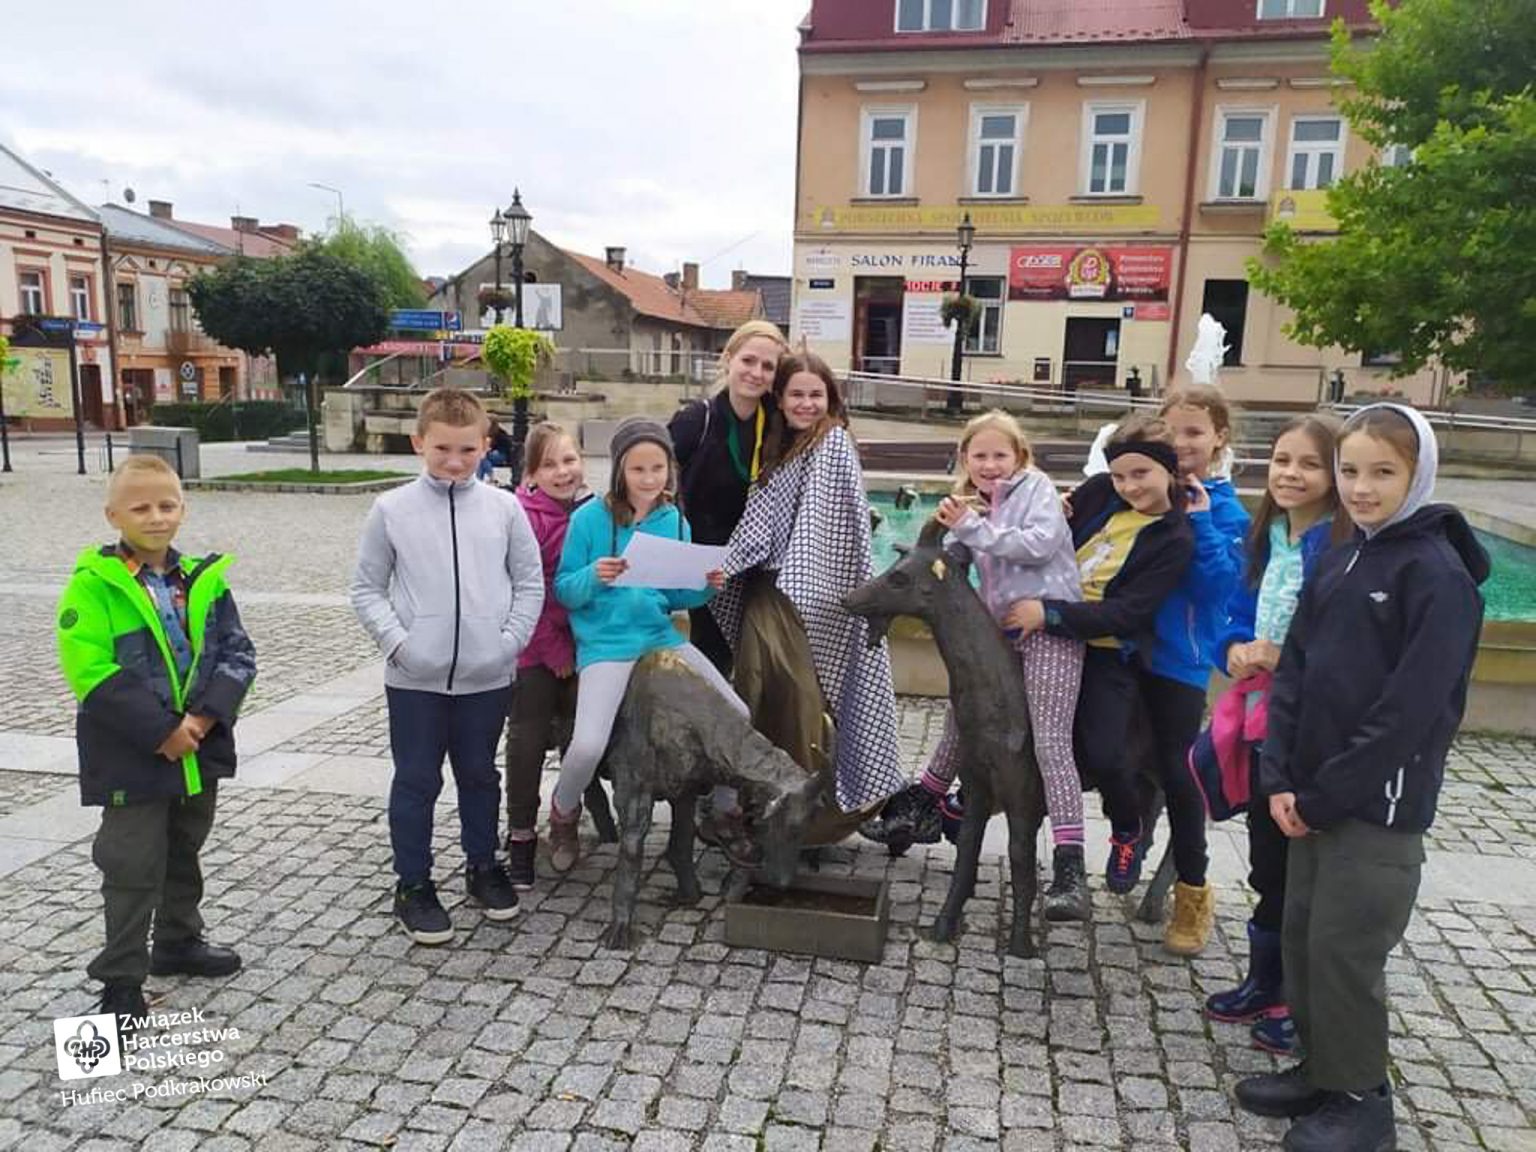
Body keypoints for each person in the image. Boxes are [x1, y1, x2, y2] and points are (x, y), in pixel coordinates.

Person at [1234, 404, 1487, 1152]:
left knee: (1346, 951)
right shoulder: (1344, 556)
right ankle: (1323, 1070)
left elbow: (1409, 712)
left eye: (1383, 472)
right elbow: (1295, 671)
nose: (1361, 488)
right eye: (1350, 471)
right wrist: (1280, 775)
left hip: (1375, 807)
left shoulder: (1436, 576)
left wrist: (1325, 794)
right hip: (1308, 796)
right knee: (1306, 938)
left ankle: (1362, 1101)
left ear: (1418, 475)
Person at [867, 410, 1092, 921]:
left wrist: (972, 527)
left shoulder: (1036, 490)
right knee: (960, 717)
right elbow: (949, 563)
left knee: (1050, 742)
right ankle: (924, 803)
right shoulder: (972, 504)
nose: (990, 465)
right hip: (1001, 635)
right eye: (980, 456)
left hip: (1050, 632)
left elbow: (1037, 546)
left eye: (1000, 455)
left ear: (1020, 457)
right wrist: (931, 547)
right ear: (965, 459)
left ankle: (1069, 863)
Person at [56, 454, 257, 1024]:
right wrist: (162, 730)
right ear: (113, 515)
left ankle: (177, 939)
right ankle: (121, 979)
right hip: (132, 756)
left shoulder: (204, 581)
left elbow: (237, 654)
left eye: (166, 505)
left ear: (182, 509)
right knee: (131, 864)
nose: (155, 516)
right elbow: (91, 671)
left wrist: (203, 720)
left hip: (197, 749)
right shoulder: (94, 587)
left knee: (183, 847)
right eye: (140, 507)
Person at [352, 388, 545, 944]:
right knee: (416, 780)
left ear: (485, 445)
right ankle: (413, 883)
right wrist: (400, 644)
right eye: (443, 449)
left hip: (487, 675)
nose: (455, 462)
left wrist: (508, 643)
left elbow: (529, 582)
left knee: (480, 775)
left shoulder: (505, 509)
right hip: (415, 679)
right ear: (419, 443)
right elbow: (367, 589)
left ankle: (483, 866)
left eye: (467, 449)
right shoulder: (392, 510)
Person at [1002, 415, 1194, 915]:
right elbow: (1046, 530)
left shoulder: (1174, 537)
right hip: (1045, 631)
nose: (1129, 487)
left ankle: (1127, 826)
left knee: (1107, 753)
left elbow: (1129, 613)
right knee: (988, 701)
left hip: (1104, 648)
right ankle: (957, 794)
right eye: (1121, 475)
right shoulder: (1099, 492)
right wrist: (1050, 513)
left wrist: (1050, 614)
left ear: (1168, 471)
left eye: (1141, 475)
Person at [1203, 416, 1347, 1055]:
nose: (1291, 474)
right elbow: (1234, 616)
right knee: (1267, 861)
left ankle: (1298, 996)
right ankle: (1265, 982)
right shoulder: (1268, 538)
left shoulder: (1338, 547)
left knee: (1301, 867)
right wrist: (1234, 648)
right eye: (1283, 460)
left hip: (1314, 728)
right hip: (1265, 725)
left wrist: (1285, 657)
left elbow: (1346, 647)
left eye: (1310, 464)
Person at [711, 352, 905, 825]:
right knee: (759, 694)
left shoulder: (833, 443)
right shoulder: (777, 451)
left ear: (830, 399)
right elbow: (758, 526)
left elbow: (830, 525)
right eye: (796, 394)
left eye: (816, 394)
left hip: (812, 599)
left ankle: (811, 816)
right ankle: (761, 804)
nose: (806, 403)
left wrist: (803, 583)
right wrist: (725, 566)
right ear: (779, 399)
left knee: (805, 704)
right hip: (767, 597)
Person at [548, 417, 749, 873]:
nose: (648, 479)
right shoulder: (588, 519)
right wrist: (594, 576)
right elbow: (564, 591)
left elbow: (675, 597)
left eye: (657, 468)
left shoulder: (674, 520)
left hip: (659, 636)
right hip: (606, 645)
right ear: (619, 470)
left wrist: (706, 586)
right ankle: (563, 811)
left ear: (670, 469)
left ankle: (723, 808)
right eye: (637, 469)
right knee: (587, 745)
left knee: (737, 712)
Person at [1111, 385, 1249, 955]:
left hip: (1178, 661)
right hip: (1125, 651)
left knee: (1177, 769)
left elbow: (1221, 589)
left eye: (1196, 432)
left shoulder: (1227, 511)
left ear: (1220, 438)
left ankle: (1193, 889)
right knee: (1106, 752)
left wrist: (1203, 523)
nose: (1184, 442)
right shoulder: (1145, 489)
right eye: (1173, 432)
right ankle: (1131, 836)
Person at [670, 319, 788, 676]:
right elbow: (653, 476)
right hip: (705, 563)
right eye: (748, 360)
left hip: (757, 565)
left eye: (768, 366)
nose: (756, 373)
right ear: (728, 359)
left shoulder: (779, 427)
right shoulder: (696, 420)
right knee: (713, 657)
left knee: (758, 662)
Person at [503, 422, 591, 890]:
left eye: (569, 460)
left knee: (583, 736)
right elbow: (524, 593)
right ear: (531, 473)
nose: (562, 472)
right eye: (549, 464)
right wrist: (555, 652)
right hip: (536, 650)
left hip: (584, 644)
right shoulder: (523, 517)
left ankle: (566, 817)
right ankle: (521, 831)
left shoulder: (593, 512)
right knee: (528, 738)